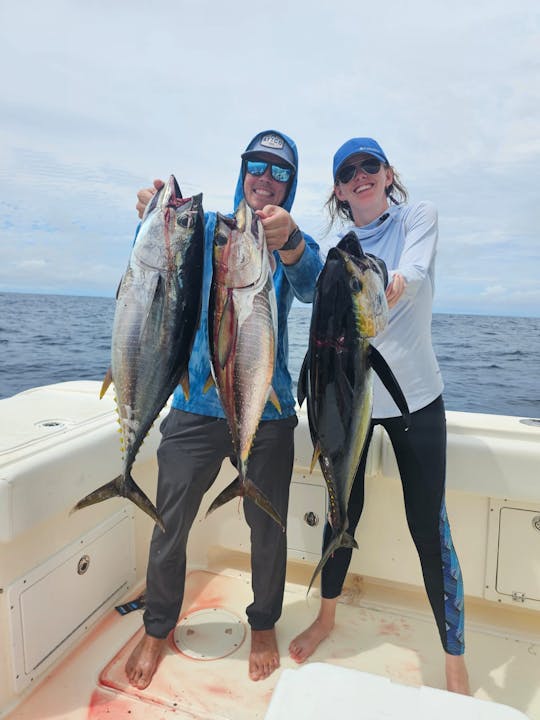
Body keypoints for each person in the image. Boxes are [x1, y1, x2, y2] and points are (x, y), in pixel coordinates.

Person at [125, 130, 322, 689]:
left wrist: (294, 244)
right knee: (170, 524)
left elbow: (310, 284)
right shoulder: (211, 229)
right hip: (193, 405)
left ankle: (263, 622)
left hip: (268, 407)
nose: (265, 177)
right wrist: (148, 212)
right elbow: (161, 255)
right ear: (243, 171)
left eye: (279, 171)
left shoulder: (285, 238)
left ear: (290, 183)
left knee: (268, 527)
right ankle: (157, 626)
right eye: (256, 166)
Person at [288, 137, 470, 695]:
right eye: (349, 171)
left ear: (388, 174)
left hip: (415, 399)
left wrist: (390, 284)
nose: (361, 175)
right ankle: (326, 617)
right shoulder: (333, 246)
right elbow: (310, 296)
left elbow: (413, 267)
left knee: (427, 526)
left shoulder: (417, 216)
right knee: (344, 507)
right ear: (340, 191)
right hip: (351, 396)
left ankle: (454, 661)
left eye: (370, 165)